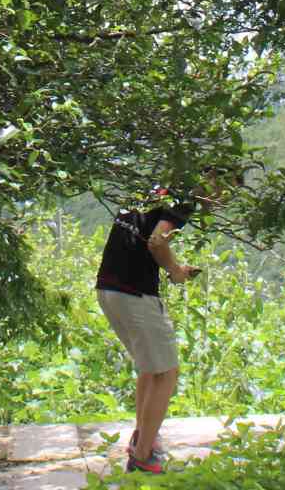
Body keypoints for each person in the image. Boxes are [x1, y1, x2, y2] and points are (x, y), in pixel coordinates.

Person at [94, 169, 232, 474]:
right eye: (224, 190)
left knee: (150, 367)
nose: (222, 199)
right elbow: (156, 242)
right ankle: (143, 458)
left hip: (108, 288)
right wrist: (174, 271)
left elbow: (140, 234)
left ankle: (144, 439)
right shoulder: (183, 200)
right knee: (167, 372)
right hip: (134, 293)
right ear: (211, 178)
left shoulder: (152, 189)